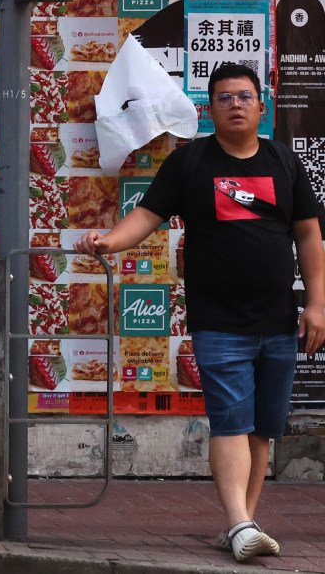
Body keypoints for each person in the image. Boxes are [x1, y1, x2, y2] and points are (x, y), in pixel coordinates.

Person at [76, 63, 325, 563]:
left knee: (261, 428)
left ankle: (242, 523)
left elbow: (309, 235)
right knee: (231, 420)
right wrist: (107, 241)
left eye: (244, 96)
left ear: (262, 106)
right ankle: (239, 522)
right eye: (224, 97)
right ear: (209, 109)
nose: (235, 104)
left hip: (277, 320)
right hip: (218, 320)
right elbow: (145, 217)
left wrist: (317, 303)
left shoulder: (285, 163)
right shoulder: (189, 164)